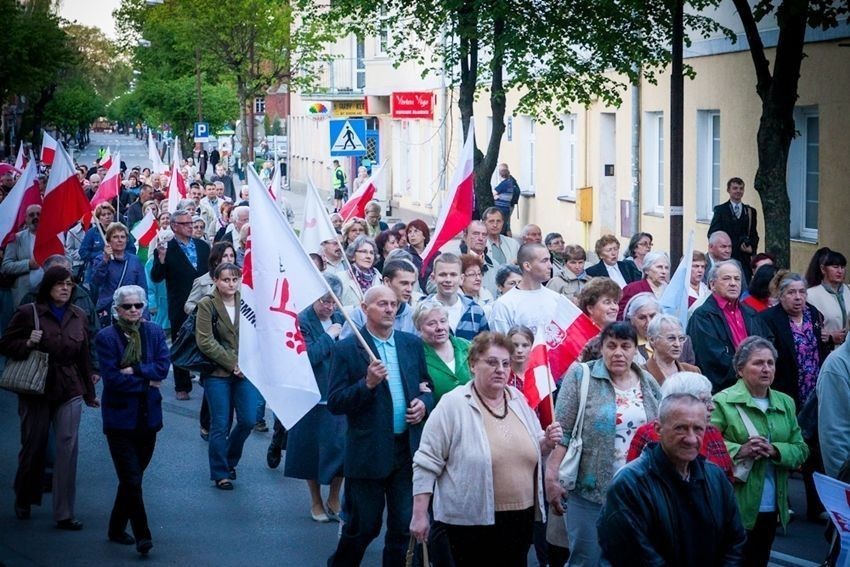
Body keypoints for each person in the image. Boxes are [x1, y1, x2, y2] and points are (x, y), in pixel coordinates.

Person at [410, 332, 562, 564]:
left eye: (505, 363)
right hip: (470, 521)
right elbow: (426, 462)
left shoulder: (518, 400)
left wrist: (547, 442)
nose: (500, 369)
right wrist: (419, 515)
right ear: (472, 364)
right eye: (491, 362)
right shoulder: (453, 404)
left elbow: (533, 446)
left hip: (521, 518)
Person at [326, 285, 434, 567]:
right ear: (364, 308)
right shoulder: (348, 349)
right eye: (382, 304)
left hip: (405, 449)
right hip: (369, 450)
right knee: (364, 527)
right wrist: (367, 384)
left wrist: (424, 402)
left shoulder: (411, 343)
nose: (389, 309)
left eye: (394, 304)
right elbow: (336, 401)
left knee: (401, 527)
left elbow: (426, 385)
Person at [545, 322, 661, 566]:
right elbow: (563, 431)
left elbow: (661, 428)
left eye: (625, 346)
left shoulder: (647, 381)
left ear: (634, 350)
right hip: (590, 490)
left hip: (639, 490)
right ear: (602, 348)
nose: (618, 352)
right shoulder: (581, 375)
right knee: (587, 559)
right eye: (612, 346)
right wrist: (552, 477)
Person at [0, 266, 98, 529]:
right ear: (48, 287)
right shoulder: (28, 312)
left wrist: (89, 392)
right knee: (34, 445)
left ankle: (64, 512)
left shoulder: (79, 315)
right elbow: (5, 344)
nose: (65, 288)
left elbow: (84, 356)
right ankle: (24, 496)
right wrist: (28, 343)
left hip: (69, 386)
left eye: (69, 284)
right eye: (59, 284)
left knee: (68, 447)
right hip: (36, 386)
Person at [599, 392, 745, 566]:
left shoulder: (715, 477)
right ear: (658, 430)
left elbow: (735, 541)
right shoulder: (630, 483)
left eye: (698, 429)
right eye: (680, 428)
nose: (691, 439)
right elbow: (636, 556)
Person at [711, 336, 809, 567]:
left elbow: (801, 449)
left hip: (772, 503)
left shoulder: (785, 403)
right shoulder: (722, 402)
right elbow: (705, 447)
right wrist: (740, 449)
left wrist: (775, 450)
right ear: (740, 369)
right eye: (758, 363)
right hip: (734, 502)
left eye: (770, 363)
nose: (766, 369)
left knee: (759, 559)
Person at [94, 285, 169, 555]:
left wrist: (136, 370)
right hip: (119, 421)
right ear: (117, 310)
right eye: (128, 306)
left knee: (132, 478)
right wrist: (148, 382)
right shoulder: (106, 337)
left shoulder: (155, 332)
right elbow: (113, 381)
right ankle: (143, 536)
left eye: (138, 305)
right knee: (132, 478)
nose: (134, 310)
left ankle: (115, 527)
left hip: (149, 419)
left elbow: (163, 367)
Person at [759, 271, 829, 521]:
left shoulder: (814, 315)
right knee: (783, 447)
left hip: (814, 394)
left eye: (802, 292)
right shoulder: (769, 318)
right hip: (785, 391)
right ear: (781, 295)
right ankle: (781, 504)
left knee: (813, 451)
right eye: (791, 293)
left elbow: (822, 348)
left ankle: (817, 505)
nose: (798, 298)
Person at [283, 275, 346, 522]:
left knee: (341, 447)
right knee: (311, 451)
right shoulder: (302, 321)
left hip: (338, 391)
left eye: (334, 301)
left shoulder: (341, 317)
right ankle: (316, 500)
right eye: (325, 301)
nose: (330, 307)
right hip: (312, 394)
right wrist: (330, 335)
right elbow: (309, 356)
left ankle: (334, 496)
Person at [196, 263, 258, 489]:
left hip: (246, 372)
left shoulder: (247, 302)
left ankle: (230, 459)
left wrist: (247, 363)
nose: (231, 284)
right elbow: (205, 341)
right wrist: (233, 363)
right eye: (225, 280)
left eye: (234, 279)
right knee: (220, 423)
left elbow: (258, 334)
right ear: (216, 280)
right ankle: (220, 472)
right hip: (217, 373)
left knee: (248, 420)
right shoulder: (207, 304)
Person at [626, 371, 733, 481]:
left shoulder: (711, 431)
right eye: (705, 401)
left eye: (711, 400)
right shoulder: (651, 432)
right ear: (679, 402)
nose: (712, 407)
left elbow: (727, 478)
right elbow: (633, 481)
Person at [150, 209, 211, 400]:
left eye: (191, 223)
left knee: (207, 340)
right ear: (174, 226)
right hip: (179, 303)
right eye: (186, 224)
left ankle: (207, 379)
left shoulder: (202, 246)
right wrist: (160, 259)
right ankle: (181, 385)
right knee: (181, 341)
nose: (191, 227)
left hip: (205, 302)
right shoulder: (166, 248)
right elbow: (156, 277)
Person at [687, 260, 772, 393]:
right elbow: (711, 357)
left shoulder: (751, 313)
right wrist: (748, 371)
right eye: (726, 278)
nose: (733, 283)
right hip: (723, 391)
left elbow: (768, 341)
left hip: (756, 385)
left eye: (737, 279)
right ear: (712, 284)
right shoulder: (703, 316)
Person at [183, 241, 238, 440]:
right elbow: (188, 305)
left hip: (232, 342)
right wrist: (203, 312)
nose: (229, 259)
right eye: (225, 256)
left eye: (232, 256)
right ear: (216, 259)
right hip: (210, 340)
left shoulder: (237, 283)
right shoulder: (203, 281)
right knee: (213, 385)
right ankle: (208, 424)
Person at [490, 243, 563, 334]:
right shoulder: (505, 304)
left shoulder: (556, 298)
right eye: (544, 261)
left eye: (549, 260)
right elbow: (501, 344)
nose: (550, 266)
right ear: (527, 266)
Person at [339, 260, 419, 339]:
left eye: (412, 284)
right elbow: (346, 347)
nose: (409, 289)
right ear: (387, 281)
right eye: (404, 283)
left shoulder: (413, 316)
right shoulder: (360, 313)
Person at [90, 223, 148, 328]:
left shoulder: (135, 260)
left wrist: (144, 314)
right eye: (115, 237)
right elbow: (96, 282)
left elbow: (143, 288)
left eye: (123, 237)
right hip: (108, 310)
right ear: (108, 240)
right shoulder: (100, 259)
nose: (120, 240)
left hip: (131, 309)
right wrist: (105, 260)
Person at [414, 299, 471, 403]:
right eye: (431, 324)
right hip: (437, 417)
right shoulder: (415, 355)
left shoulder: (467, 347)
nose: (440, 327)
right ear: (419, 327)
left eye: (443, 321)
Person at [425, 253, 489, 341]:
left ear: (461, 279)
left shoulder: (476, 311)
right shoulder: (422, 310)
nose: (448, 280)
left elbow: (485, 347)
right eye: (443, 275)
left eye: (453, 275)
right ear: (433, 278)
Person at [708, 177, 759, 281]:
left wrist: (751, 249)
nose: (738, 191)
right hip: (725, 258)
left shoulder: (750, 211)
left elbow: (754, 234)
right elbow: (712, 234)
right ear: (728, 190)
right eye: (735, 188)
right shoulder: (720, 210)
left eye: (741, 188)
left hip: (744, 259)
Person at [805, 247, 850, 347]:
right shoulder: (811, 295)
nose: (840, 271)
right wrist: (830, 337)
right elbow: (806, 328)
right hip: (826, 351)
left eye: (842, 267)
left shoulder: (848, 291)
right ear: (823, 269)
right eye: (835, 267)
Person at [1, 205, 43, 307]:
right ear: (26, 219)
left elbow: (66, 259)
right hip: (24, 294)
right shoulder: (16, 238)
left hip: (47, 293)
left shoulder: (53, 237)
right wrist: (28, 264)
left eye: (38, 214)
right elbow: (6, 266)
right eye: (31, 215)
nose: (35, 217)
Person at [642, 314, 699, 385]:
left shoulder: (693, 372)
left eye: (681, 338)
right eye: (671, 338)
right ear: (652, 340)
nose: (677, 344)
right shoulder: (641, 374)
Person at [617, 251, 669, 319]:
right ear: (646, 270)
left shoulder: (671, 290)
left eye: (666, 268)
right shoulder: (632, 289)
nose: (664, 272)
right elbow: (620, 316)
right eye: (659, 267)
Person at [338, 235, 382, 307]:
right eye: (364, 252)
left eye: (371, 253)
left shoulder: (381, 280)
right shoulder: (341, 278)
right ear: (353, 256)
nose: (368, 256)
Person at [621, 292, 661, 364]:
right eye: (642, 318)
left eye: (652, 316)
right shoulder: (626, 346)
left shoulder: (678, 342)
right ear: (632, 320)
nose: (649, 322)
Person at [460, 253, 495, 317]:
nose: (478, 278)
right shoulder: (456, 299)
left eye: (479, 274)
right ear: (461, 278)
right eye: (472, 274)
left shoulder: (486, 294)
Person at [492, 164, 520, 236]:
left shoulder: (503, 184)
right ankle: (508, 241)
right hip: (508, 206)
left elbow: (493, 193)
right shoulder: (510, 182)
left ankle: (507, 241)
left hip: (502, 208)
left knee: (504, 226)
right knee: (506, 225)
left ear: (500, 174)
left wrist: (496, 197)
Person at [404, 219, 431, 289]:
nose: (412, 234)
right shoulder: (404, 255)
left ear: (424, 235)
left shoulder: (434, 254)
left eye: (416, 231)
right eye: (409, 232)